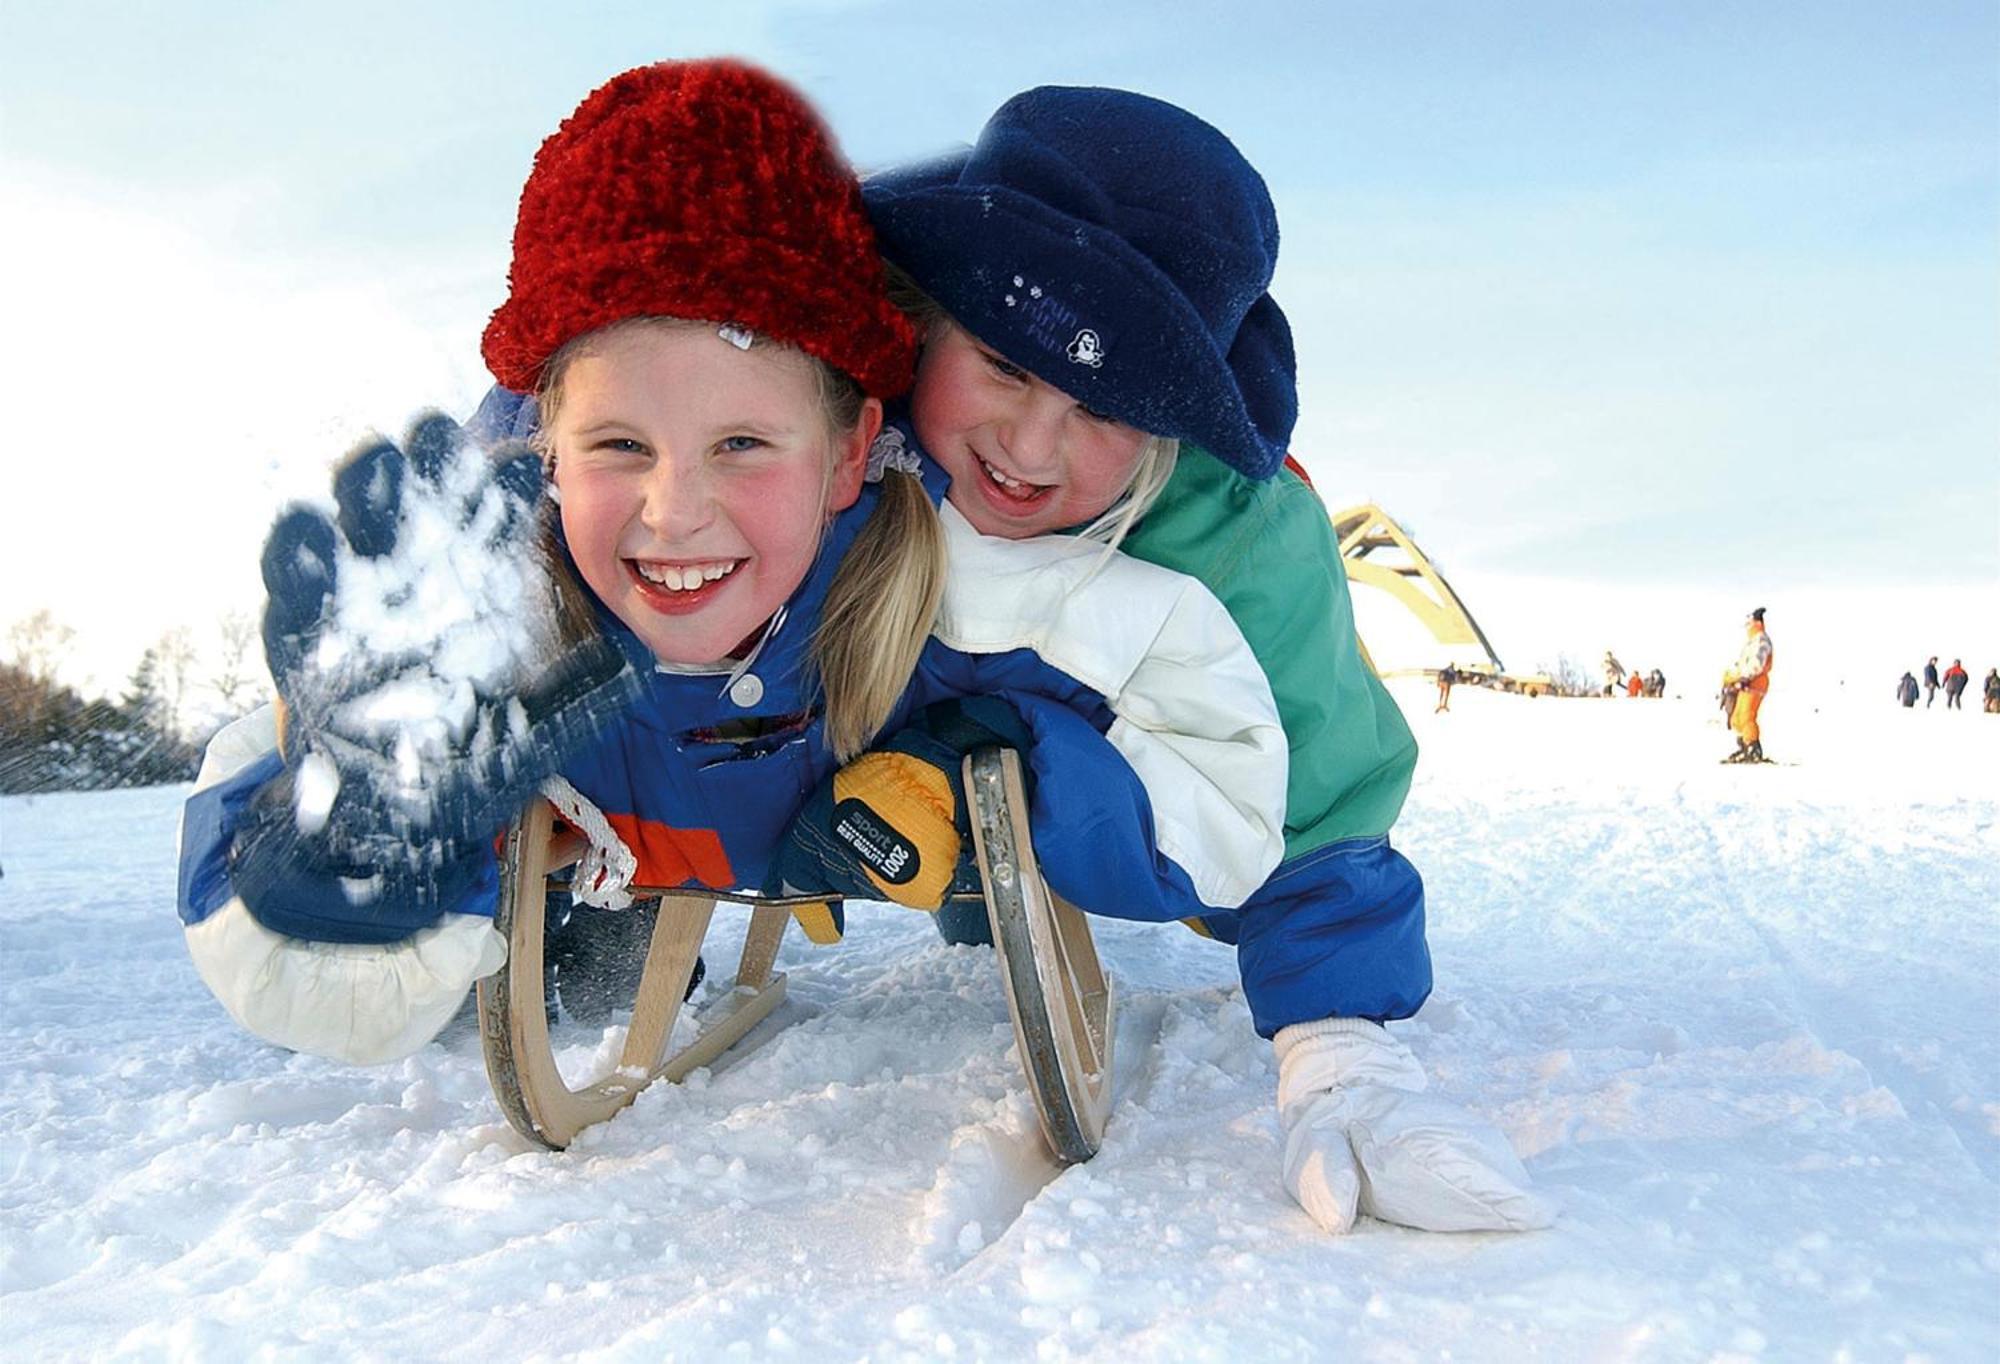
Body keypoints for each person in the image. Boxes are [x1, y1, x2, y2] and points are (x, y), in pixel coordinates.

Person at [175, 63, 1286, 1071]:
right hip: (623, 834)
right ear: (550, 452)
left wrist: (1013, 763)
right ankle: (579, 921)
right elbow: (297, 944)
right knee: (506, 968)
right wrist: (344, 874)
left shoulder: (981, 591)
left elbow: (1232, 781)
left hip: (815, 811)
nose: (675, 513)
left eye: (742, 446)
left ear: (851, 450)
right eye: (618, 447)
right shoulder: (481, 629)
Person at [845, 85, 1552, 1235]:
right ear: (928, 319)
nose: (1030, 448)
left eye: (1104, 406)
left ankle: (995, 861)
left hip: (1067, 749)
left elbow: (1309, 793)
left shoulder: (1242, 543)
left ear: (1173, 416)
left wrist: (1337, 1052)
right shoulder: (816, 392)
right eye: (1003, 365)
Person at [1722, 607, 1774, 763]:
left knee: (1747, 715)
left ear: (1756, 623)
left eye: (1748, 624)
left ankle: (1753, 747)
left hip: (1755, 682)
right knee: (1737, 718)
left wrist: (1744, 677)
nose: (1747, 627)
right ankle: (1744, 746)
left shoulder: (1761, 640)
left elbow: (1757, 662)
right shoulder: (1752, 641)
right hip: (1746, 682)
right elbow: (1743, 664)